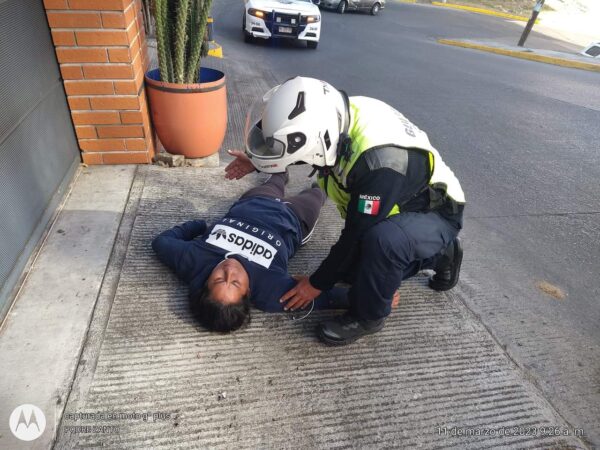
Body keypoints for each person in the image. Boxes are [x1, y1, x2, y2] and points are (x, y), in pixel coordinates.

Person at [225, 76, 466, 346]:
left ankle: (369, 317)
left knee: (383, 244)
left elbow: (355, 235)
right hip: (401, 201)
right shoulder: (334, 116)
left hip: (435, 212)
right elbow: (301, 145)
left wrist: (316, 284)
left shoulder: (379, 165)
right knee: (353, 275)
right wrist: (259, 162)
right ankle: (439, 255)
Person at [152, 173, 348, 333]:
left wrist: (197, 226)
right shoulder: (270, 291)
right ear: (248, 292)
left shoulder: (192, 261)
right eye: (235, 283)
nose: (230, 271)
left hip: (256, 201)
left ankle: (280, 175)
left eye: (219, 279)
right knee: (318, 193)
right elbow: (338, 297)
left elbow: (161, 242)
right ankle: (318, 188)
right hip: (295, 217)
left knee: (276, 178)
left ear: (205, 282)